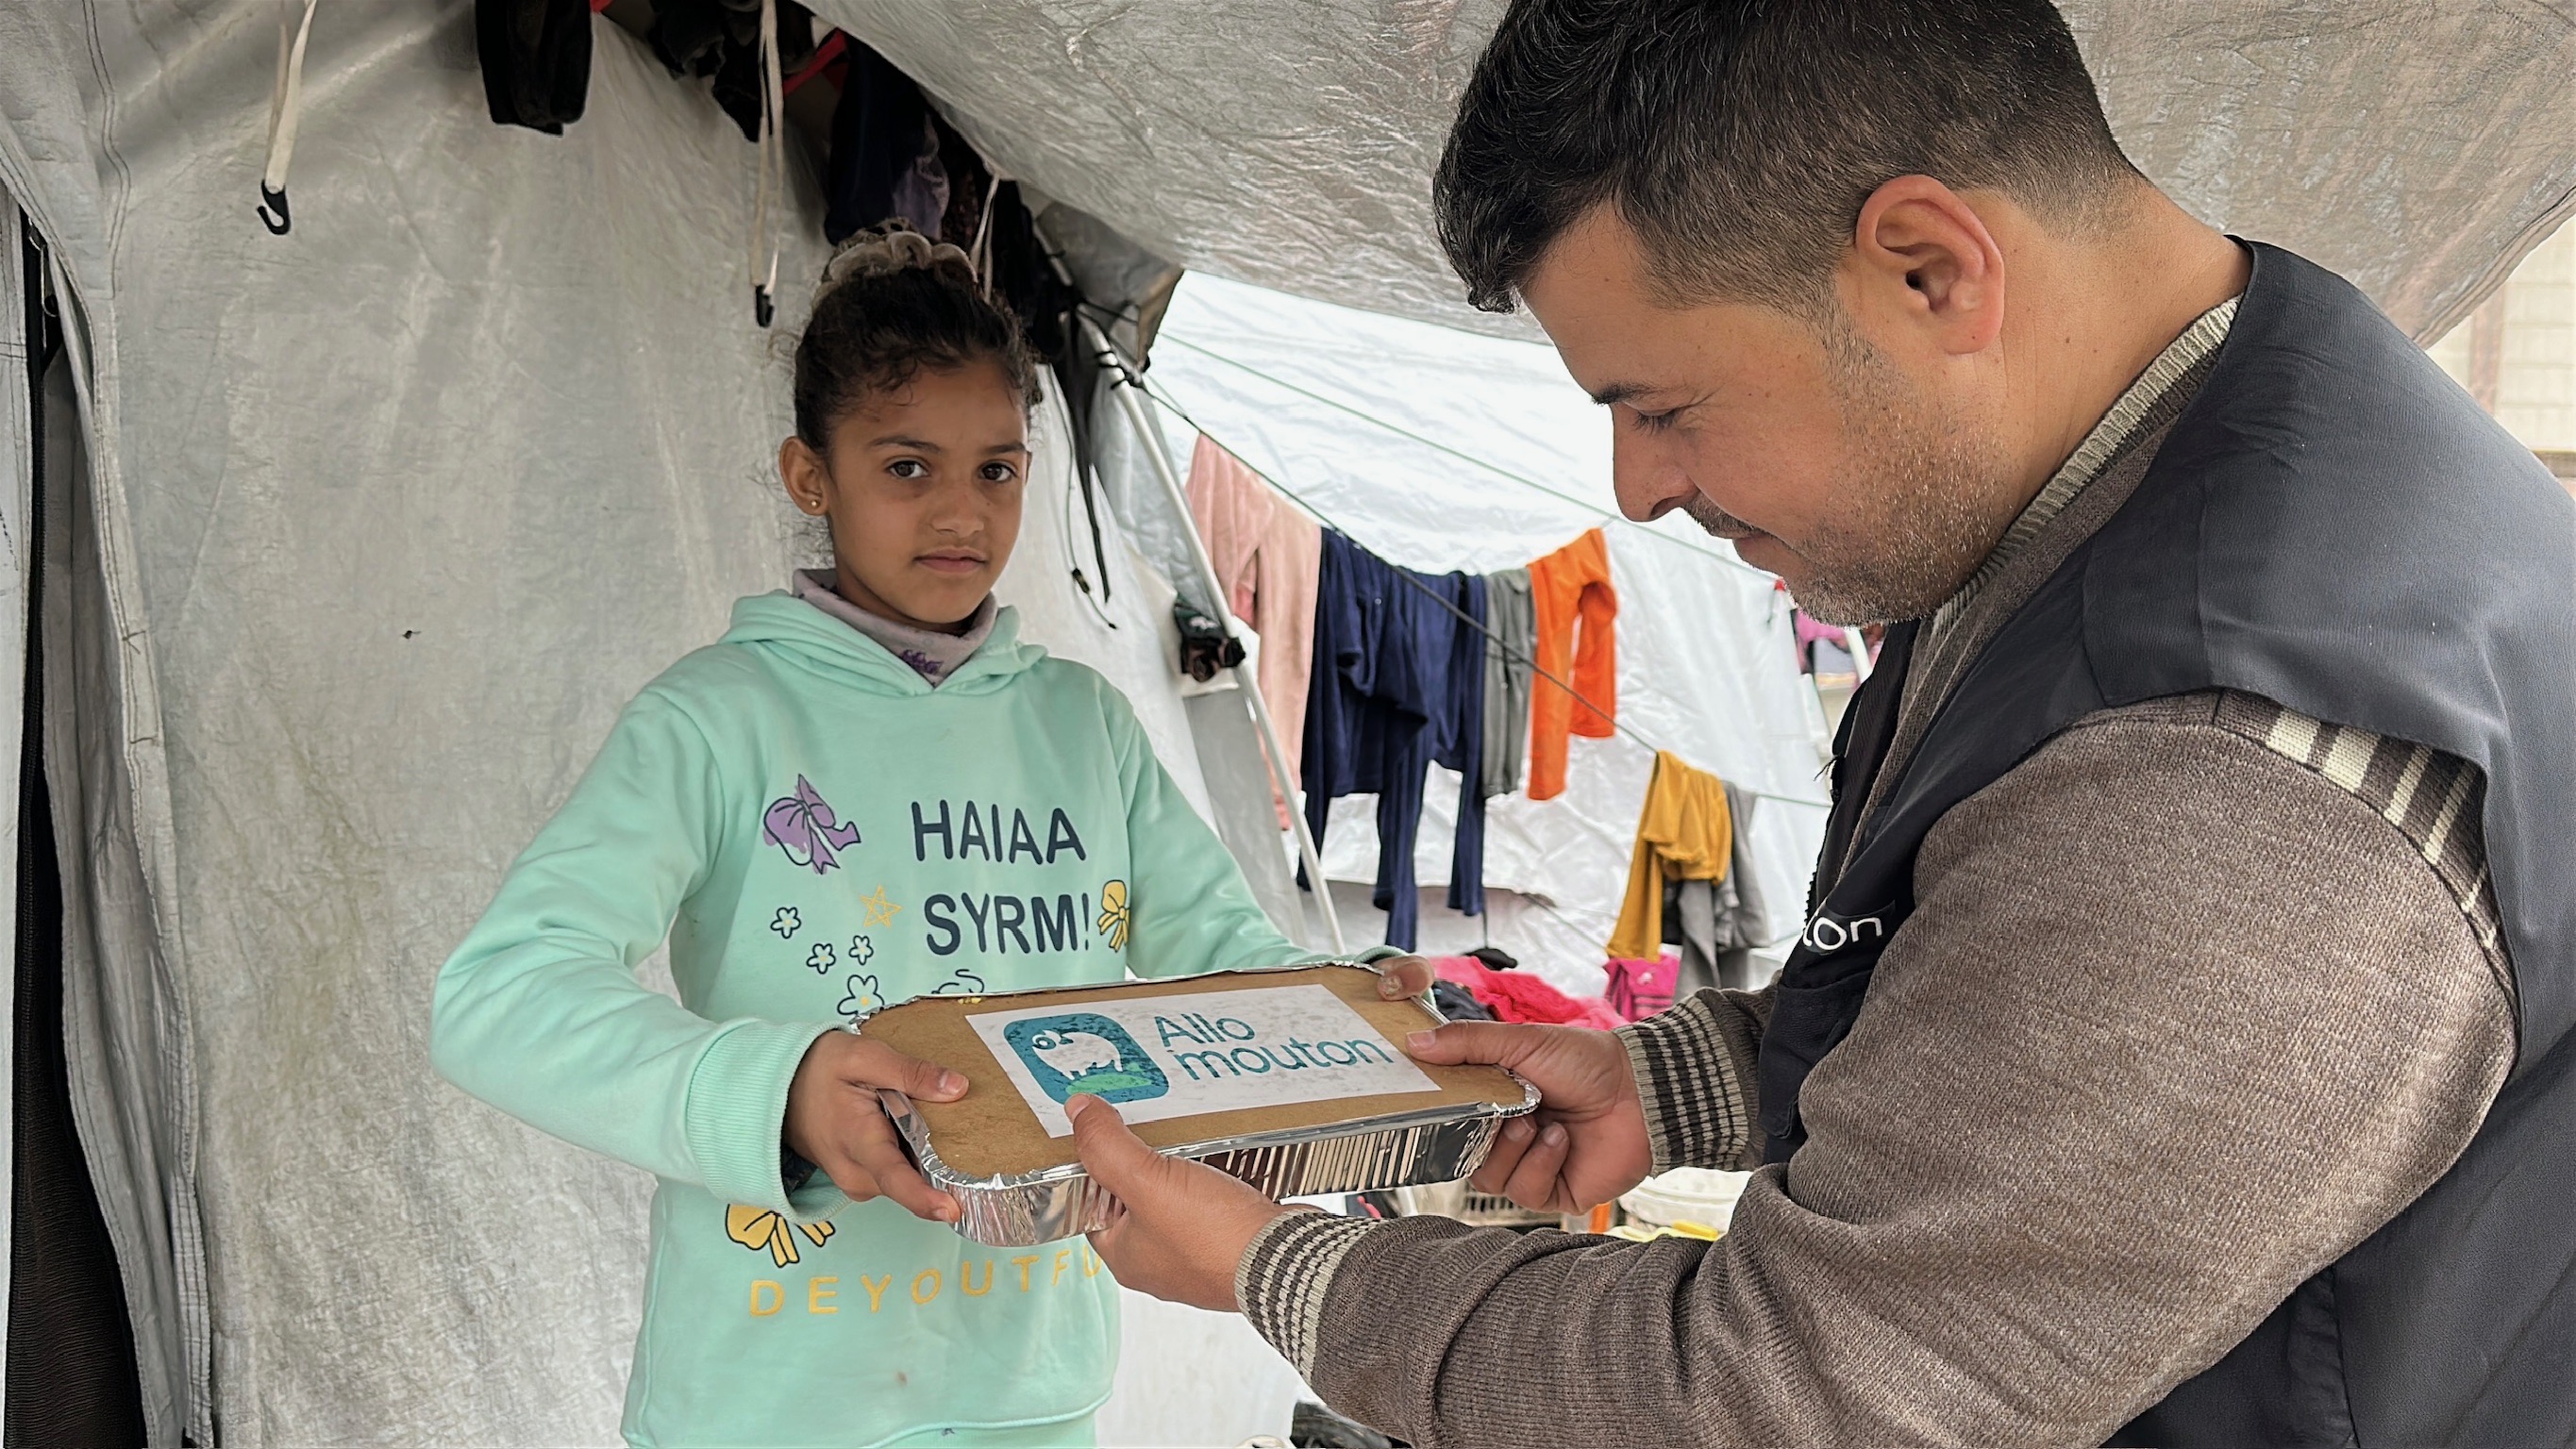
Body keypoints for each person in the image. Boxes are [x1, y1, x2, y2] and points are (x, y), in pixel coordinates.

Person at [1064, 3, 2576, 1446]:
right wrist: (1690, 1079)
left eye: (1661, 407)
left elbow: (1797, 1398)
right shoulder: (2151, 448)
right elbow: (2012, 986)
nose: (1636, 490)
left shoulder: (2232, 779)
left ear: (1927, 271)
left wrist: (1287, 1270)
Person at [429, 226, 1425, 1449]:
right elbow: (499, 994)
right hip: (770, 1397)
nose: (961, 512)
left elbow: (1221, 955)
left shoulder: (1081, 725)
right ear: (811, 477)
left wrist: (1358, 1011)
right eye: (908, 467)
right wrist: (775, 1089)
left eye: (997, 470)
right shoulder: (717, 719)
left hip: (1030, 1384)